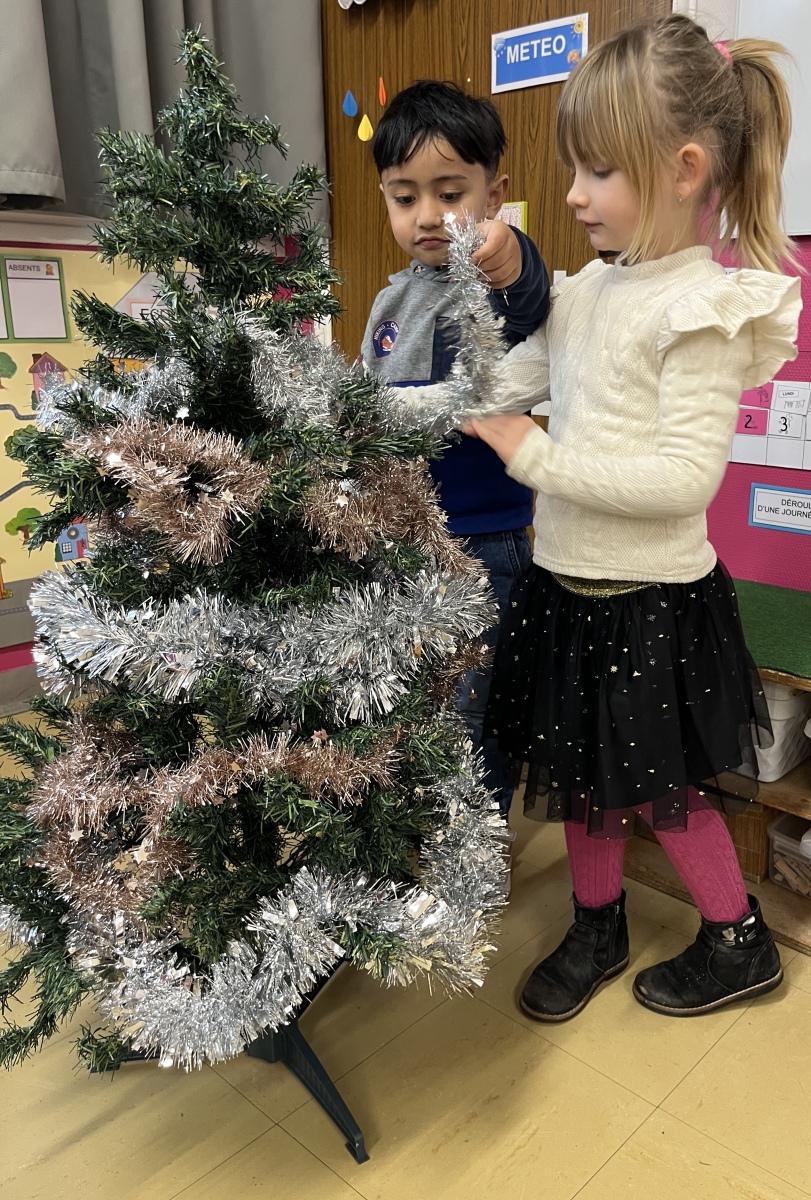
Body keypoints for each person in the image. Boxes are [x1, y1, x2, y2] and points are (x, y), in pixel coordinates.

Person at [426, 15, 802, 1019]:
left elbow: (681, 478)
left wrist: (533, 456)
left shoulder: (704, 308)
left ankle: (739, 943)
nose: (573, 195)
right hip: (566, 590)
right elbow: (518, 376)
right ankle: (597, 923)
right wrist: (437, 403)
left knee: (660, 793)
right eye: (573, 170)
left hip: (651, 606)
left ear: (683, 170)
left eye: (597, 171)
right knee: (580, 777)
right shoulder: (590, 288)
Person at [362, 81, 550, 820]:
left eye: (450, 194)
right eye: (404, 197)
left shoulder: (486, 282)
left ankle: (478, 847)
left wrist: (506, 252)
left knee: (474, 707)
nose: (427, 216)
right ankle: (421, 830)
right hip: (397, 539)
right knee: (407, 699)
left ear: (492, 195)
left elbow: (526, 294)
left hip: (481, 544)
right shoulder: (387, 302)